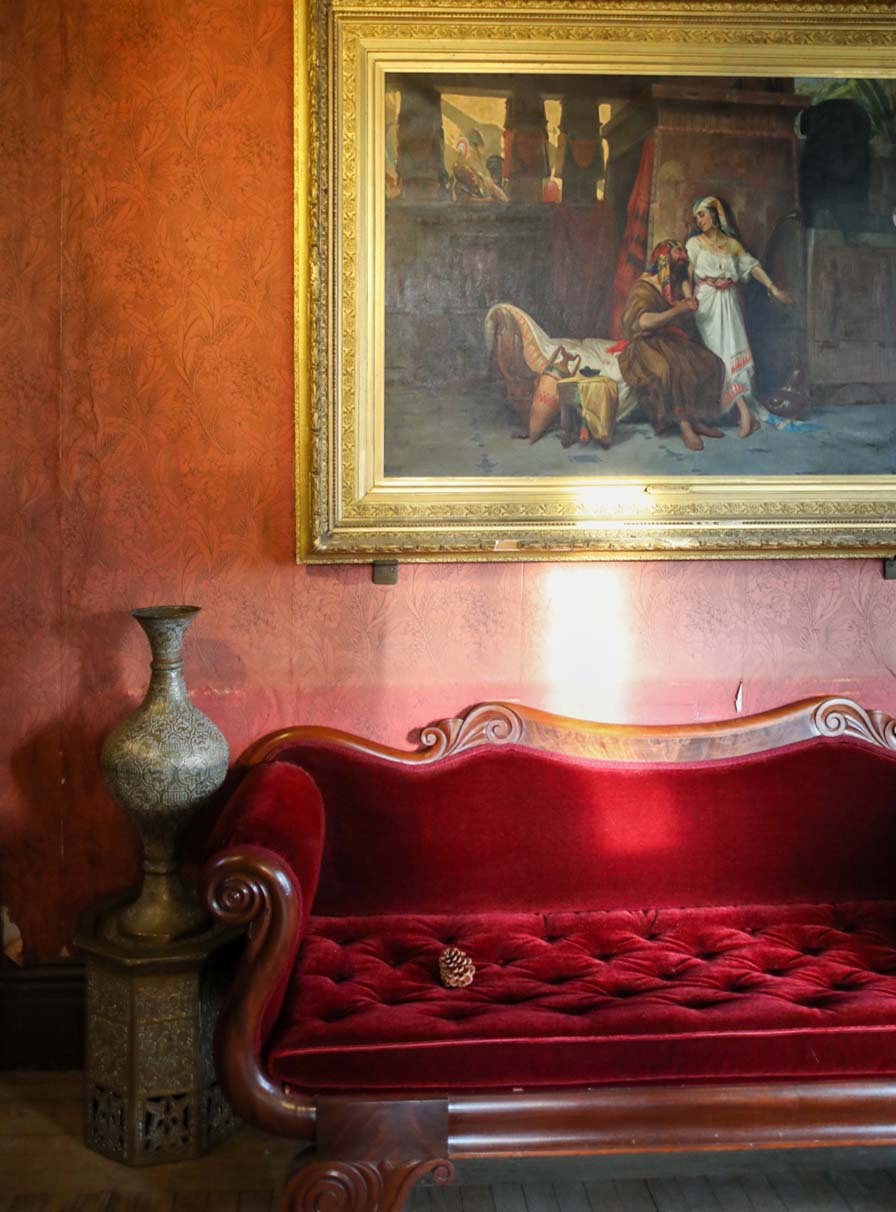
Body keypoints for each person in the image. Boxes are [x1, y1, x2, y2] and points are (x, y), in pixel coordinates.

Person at [685, 196, 793, 436]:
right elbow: (687, 273)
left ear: (714, 214)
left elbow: (752, 267)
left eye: (702, 214)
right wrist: (688, 297)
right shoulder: (694, 243)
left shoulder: (732, 244)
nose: (699, 220)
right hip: (707, 305)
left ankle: (744, 413)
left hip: (729, 302)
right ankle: (744, 412)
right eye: (696, 217)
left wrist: (773, 288)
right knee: (720, 356)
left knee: (734, 352)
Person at [616, 239, 727, 451]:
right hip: (645, 341)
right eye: (679, 252)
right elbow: (642, 322)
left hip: (669, 338)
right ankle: (685, 425)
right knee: (669, 368)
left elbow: (684, 300)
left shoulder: (673, 285)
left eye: (685, 252)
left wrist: (686, 304)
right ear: (663, 257)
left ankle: (697, 419)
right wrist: (677, 311)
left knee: (711, 363)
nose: (684, 256)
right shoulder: (644, 286)